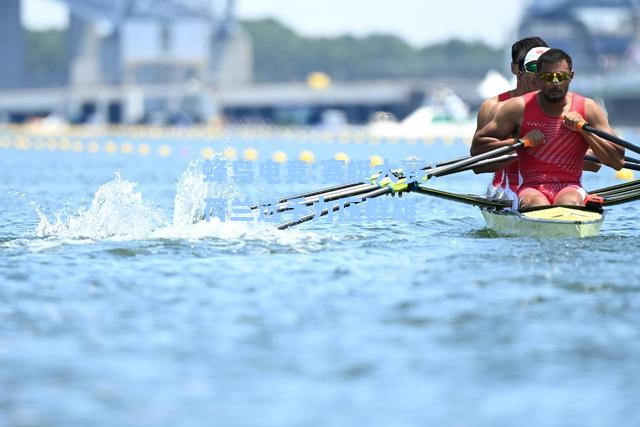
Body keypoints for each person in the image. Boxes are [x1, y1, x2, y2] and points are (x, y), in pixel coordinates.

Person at [472, 48, 624, 208]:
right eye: (548, 77)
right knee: (535, 204)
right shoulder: (518, 107)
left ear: (571, 76)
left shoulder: (588, 108)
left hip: (571, 187)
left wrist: (584, 130)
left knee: (569, 202)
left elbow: (618, 161)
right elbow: (477, 147)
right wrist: (522, 142)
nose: (555, 82)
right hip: (531, 189)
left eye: (561, 76)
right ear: (538, 78)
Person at [472, 37, 548, 200]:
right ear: (516, 69)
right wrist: (521, 145)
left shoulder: (566, 106)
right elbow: (477, 165)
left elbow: (595, 163)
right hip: (507, 190)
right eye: (533, 67)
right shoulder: (493, 107)